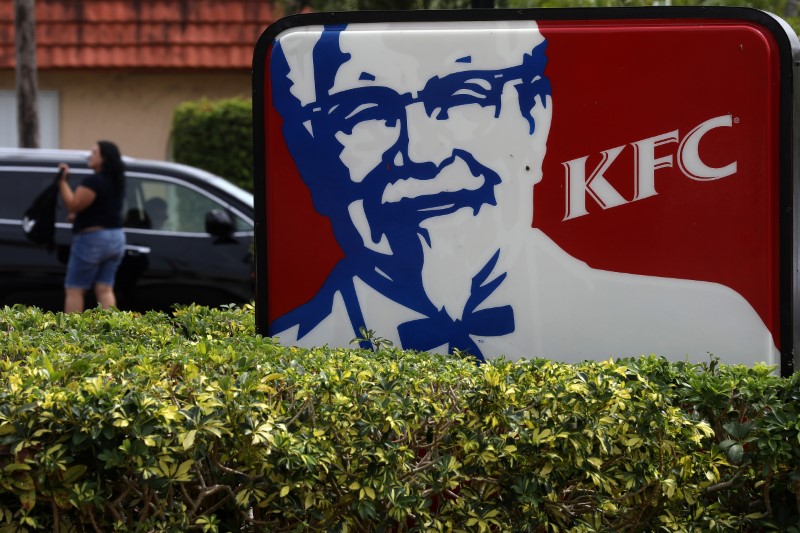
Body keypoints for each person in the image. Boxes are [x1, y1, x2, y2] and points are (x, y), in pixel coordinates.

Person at [268, 21, 778, 366]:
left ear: (535, 121)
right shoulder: (279, 369)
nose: (422, 152)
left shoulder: (712, 329)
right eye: (362, 112)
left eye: (465, 95)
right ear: (310, 160)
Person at [58, 141, 126, 313]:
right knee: (105, 288)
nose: (90, 155)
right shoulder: (116, 181)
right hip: (116, 237)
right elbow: (101, 207)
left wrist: (62, 182)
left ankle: (69, 336)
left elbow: (73, 204)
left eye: (94, 152)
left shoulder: (93, 181)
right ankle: (112, 332)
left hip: (93, 239)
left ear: (104, 158)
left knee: (74, 289)